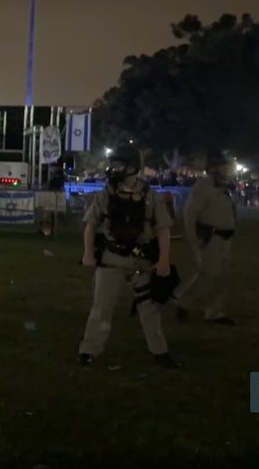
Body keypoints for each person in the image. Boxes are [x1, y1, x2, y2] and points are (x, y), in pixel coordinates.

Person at [78, 145, 179, 368]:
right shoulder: (107, 194)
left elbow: (163, 229)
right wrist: (88, 254)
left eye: (118, 165)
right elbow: (90, 225)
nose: (113, 169)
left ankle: (159, 351)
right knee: (101, 308)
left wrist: (163, 260)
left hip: (141, 261)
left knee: (149, 309)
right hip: (111, 259)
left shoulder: (150, 196)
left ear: (132, 167)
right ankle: (89, 351)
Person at [174, 149, 237, 325]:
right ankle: (184, 302)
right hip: (211, 238)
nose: (227, 170)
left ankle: (215, 311)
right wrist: (194, 239)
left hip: (224, 239)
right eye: (224, 167)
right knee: (208, 275)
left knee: (221, 277)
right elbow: (190, 213)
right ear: (215, 168)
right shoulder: (203, 187)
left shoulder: (222, 187)